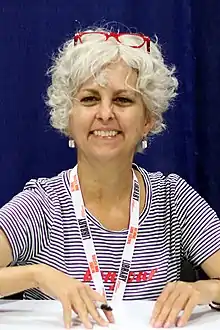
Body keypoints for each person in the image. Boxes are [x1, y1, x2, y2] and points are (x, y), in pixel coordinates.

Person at [0, 27, 220, 329]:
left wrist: (206, 289)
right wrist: (38, 274)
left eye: (123, 100)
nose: (105, 113)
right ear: (68, 117)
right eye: (90, 99)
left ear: (148, 120)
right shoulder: (41, 205)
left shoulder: (174, 198)